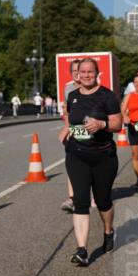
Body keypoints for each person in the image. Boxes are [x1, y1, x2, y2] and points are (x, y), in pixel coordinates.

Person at [58, 58, 122, 265]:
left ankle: (108, 230)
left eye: (90, 72)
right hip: (77, 155)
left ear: (97, 73)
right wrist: (67, 129)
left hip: (103, 157)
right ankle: (82, 250)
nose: (86, 75)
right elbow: (70, 116)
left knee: (103, 201)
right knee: (80, 201)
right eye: (82, 72)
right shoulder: (73, 96)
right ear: (77, 74)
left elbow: (118, 124)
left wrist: (102, 124)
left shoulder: (107, 96)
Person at [60, 60, 82, 212]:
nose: (76, 73)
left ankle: (92, 194)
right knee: (72, 164)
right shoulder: (68, 89)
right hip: (74, 131)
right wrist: (67, 128)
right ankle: (72, 198)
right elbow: (67, 112)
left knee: (89, 165)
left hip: (90, 131)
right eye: (73, 70)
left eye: (78, 70)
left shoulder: (91, 88)